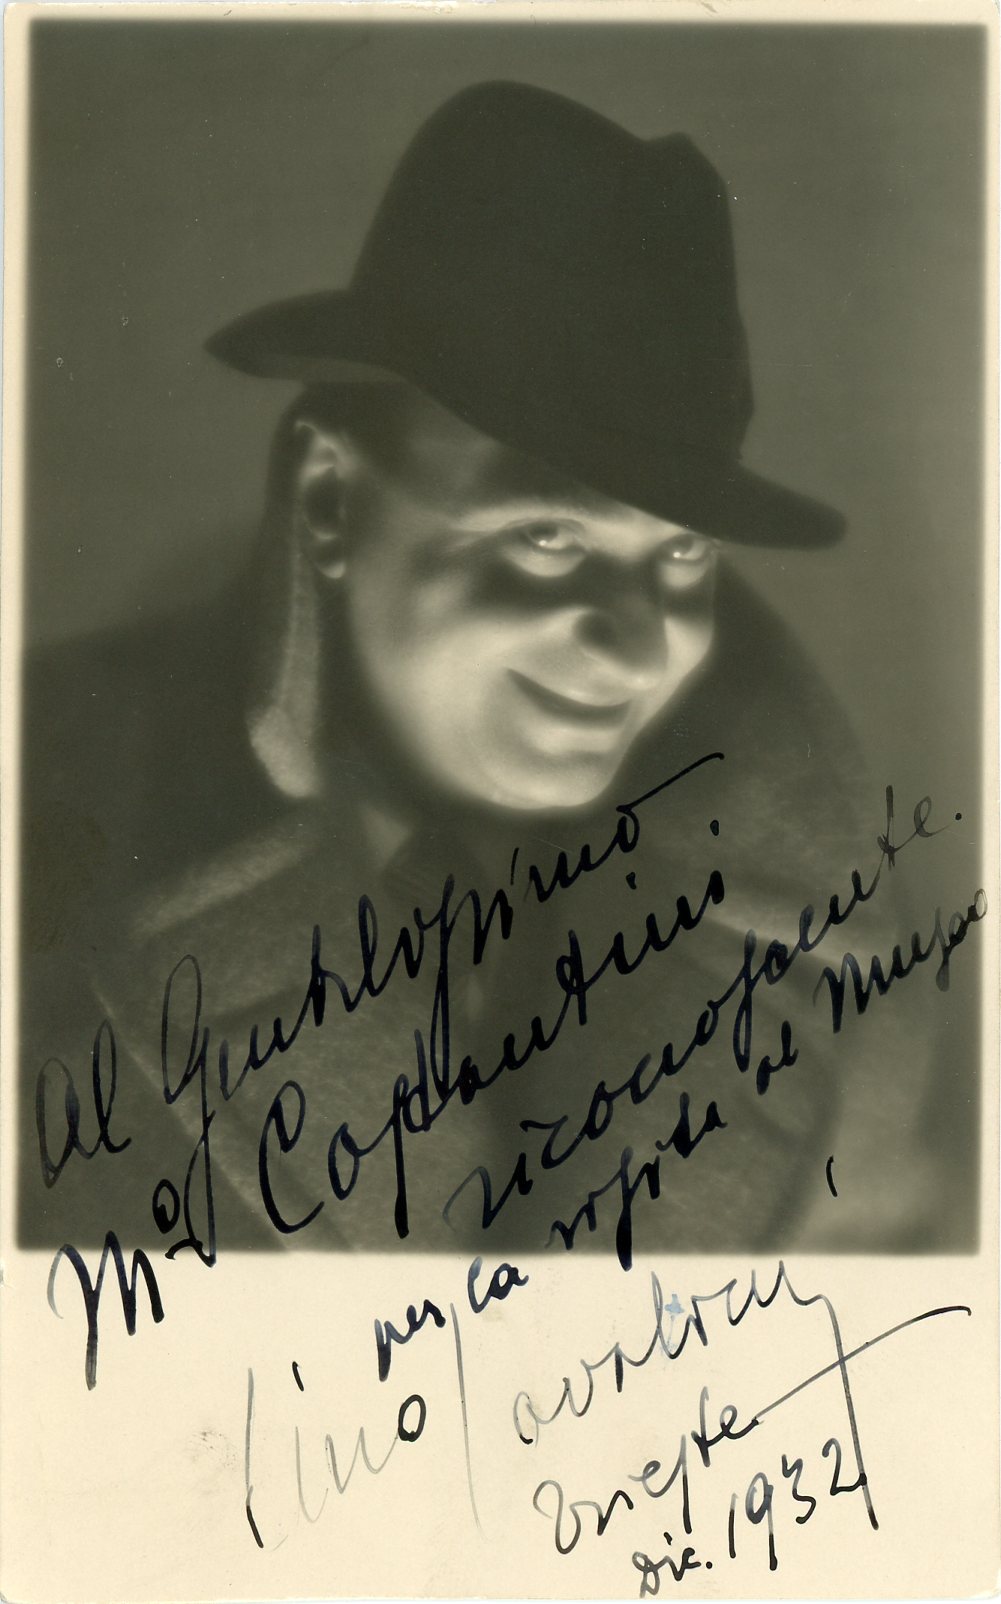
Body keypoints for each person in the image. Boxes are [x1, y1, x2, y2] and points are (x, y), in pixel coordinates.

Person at [19, 82, 970, 1263]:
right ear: (329, 498)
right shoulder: (42, 813)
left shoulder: (841, 953)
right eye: (547, 537)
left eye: (679, 554)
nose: (636, 645)